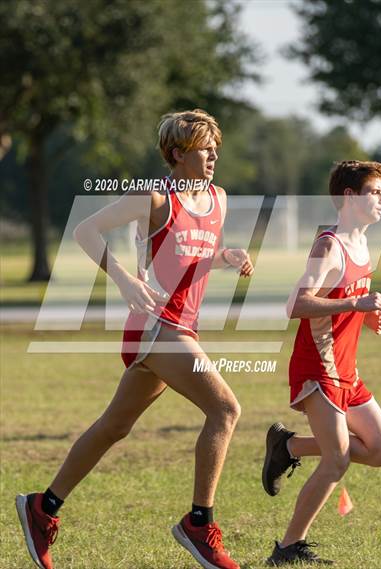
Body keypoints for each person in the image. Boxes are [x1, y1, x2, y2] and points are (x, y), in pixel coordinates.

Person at [16, 109, 254, 569]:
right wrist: (124, 279)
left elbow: (193, 261)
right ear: (178, 154)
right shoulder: (155, 199)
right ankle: (198, 525)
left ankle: (42, 508)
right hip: (154, 325)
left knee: (114, 427)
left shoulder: (218, 199)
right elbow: (85, 230)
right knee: (225, 409)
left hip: (183, 325)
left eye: (215, 149)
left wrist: (227, 256)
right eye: (205, 149)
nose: (213, 157)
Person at [261, 161, 381, 565]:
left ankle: (288, 446)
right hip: (316, 368)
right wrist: (355, 302)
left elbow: (344, 302)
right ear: (348, 197)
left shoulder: (363, 245)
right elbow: (296, 304)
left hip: (346, 371)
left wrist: (366, 313)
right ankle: (287, 548)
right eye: (374, 191)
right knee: (336, 458)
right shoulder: (329, 245)